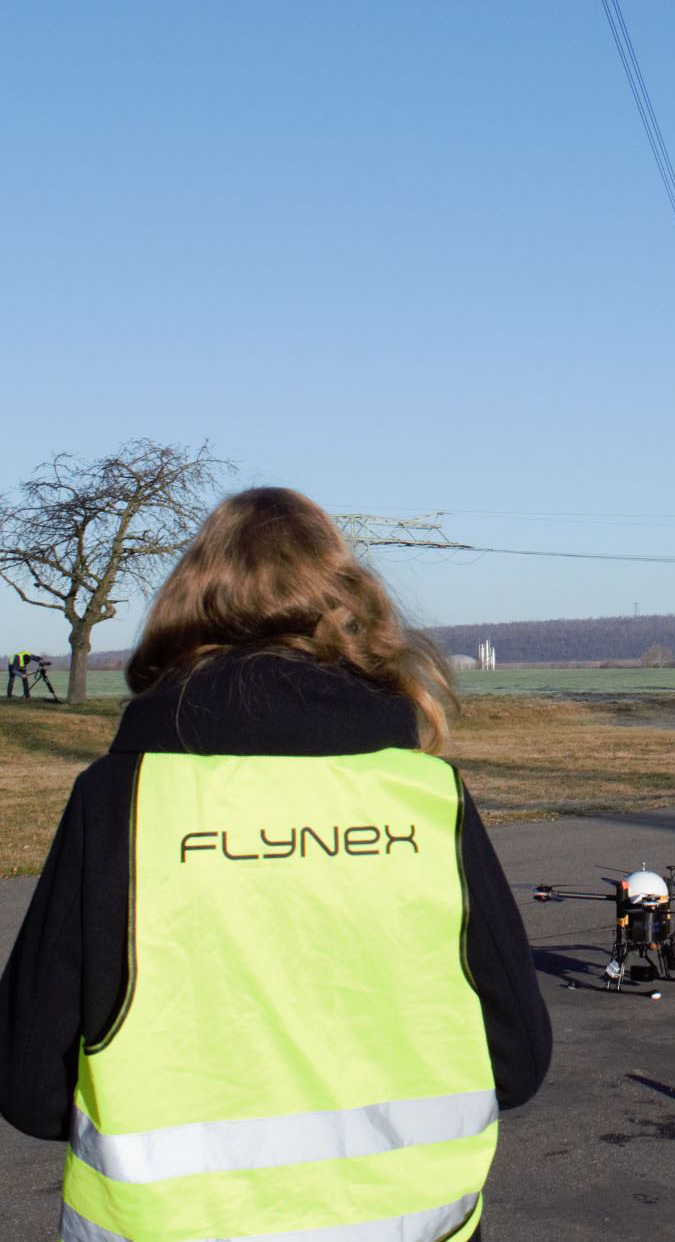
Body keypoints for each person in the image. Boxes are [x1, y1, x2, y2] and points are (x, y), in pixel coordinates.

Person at [0, 487, 550, 1242]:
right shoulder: (427, 799)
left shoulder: (120, 802)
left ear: (186, 607)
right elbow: (516, 1062)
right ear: (351, 604)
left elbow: (30, 1086)